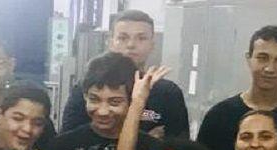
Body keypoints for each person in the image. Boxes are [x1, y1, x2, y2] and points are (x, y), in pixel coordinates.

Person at [61, 10, 189, 139]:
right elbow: (68, 141)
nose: (131, 45)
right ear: (110, 43)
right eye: (122, 38)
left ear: (152, 45)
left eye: (141, 38)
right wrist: (148, 140)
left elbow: (179, 145)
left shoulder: (167, 93)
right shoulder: (88, 88)